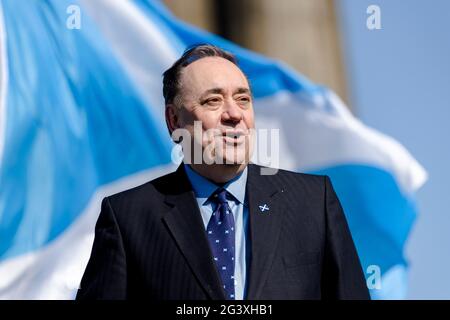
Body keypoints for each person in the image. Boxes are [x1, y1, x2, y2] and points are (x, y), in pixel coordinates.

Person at [76, 44, 370, 300]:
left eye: (243, 99)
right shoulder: (128, 216)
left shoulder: (313, 202)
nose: (234, 114)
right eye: (213, 101)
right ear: (174, 120)